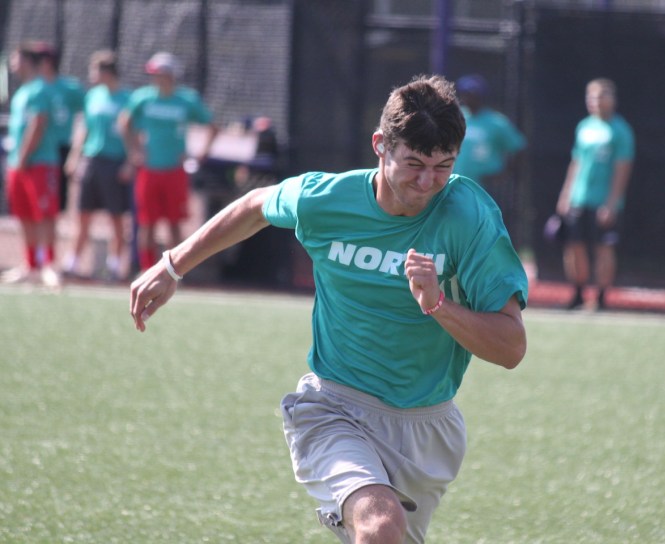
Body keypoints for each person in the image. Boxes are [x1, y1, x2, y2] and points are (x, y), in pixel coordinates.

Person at [129, 75, 528, 543]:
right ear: (380, 145)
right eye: (414, 164)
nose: (427, 183)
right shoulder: (327, 199)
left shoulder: (469, 216)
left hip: (428, 426)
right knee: (380, 526)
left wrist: (438, 304)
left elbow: (511, 347)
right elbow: (256, 205)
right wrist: (172, 266)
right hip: (335, 406)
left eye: (443, 167)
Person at [119, 51, 218, 273]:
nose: (155, 79)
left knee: (174, 223)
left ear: (170, 75)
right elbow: (125, 123)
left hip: (174, 171)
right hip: (149, 170)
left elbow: (212, 126)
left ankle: (174, 272)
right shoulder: (143, 98)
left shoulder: (186, 100)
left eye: (159, 74)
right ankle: (147, 270)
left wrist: (200, 155)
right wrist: (134, 151)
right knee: (147, 223)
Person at [556, 78, 635, 310]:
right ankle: (578, 294)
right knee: (574, 245)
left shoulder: (620, 130)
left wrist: (612, 202)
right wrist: (566, 195)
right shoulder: (584, 126)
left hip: (604, 200)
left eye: (601, 96)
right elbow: (576, 163)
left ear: (613, 99)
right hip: (579, 198)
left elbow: (623, 169)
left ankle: (600, 298)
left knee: (604, 248)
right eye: (591, 97)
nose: (596, 102)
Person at [62, 50, 132, 280]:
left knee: (116, 217)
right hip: (92, 159)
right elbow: (85, 127)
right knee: (82, 214)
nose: (92, 75)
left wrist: (130, 162)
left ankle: (114, 266)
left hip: (115, 162)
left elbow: (134, 134)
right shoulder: (93, 96)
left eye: (96, 70)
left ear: (108, 72)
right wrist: (75, 156)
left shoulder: (127, 99)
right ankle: (72, 263)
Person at [1, 44, 62, 287]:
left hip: (39, 163)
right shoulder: (22, 91)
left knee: (44, 214)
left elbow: (38, 124)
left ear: (27, 61)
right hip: (19, 163)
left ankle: (49, 265)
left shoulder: (40, 90)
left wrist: (24, 157)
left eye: (17, 59)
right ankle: (30, 265)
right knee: (24, 213)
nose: (13, 64)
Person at [452, 74, 526, 221]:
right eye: (466, 94)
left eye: (473, 94)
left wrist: (506, 172)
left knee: (486, 222)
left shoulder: (496, 122)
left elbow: (519, 147)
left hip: (487, 186)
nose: (469, 98)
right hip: (458, 184)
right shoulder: (457, 118)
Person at [35, 42, 85, 212]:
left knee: (58, 196)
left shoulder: (70, 88)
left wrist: (77, 147)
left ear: (47, 62)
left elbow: (87, 114)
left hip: (60, 146)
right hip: (38, 147)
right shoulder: (34, 88)